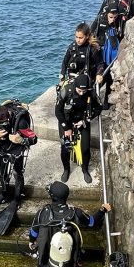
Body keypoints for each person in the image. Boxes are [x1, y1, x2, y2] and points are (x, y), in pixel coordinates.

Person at [29, 181, 112, 267]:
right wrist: (103, 210)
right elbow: (92, 222)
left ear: (52, 196)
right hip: (67, 258)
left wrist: (31, 242)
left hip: (46, 256)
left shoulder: (42, 213)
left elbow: (33, 232)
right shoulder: (76, 213)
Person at [0, 99, 37, 236]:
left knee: (17, 173)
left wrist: (21, 139)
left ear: (8, 116)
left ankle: (17, 198)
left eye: (4, 123)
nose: (1, 126)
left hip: (16, 150)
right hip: (0, 149)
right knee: (2, 173)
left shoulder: (20, 121)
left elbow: (34, 139)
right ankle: (5, 193)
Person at [56, 28, 103, 184]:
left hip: (82, 116)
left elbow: (98, 107)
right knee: (65, 147)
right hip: (68, 118)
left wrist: (85, 121)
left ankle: (84, 169)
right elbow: (58, 111)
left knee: (85, 147)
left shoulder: (89, 92)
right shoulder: (66, 92)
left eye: (81, 37)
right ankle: (66, 169)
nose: (78, 40)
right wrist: (66, 127)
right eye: (76, 37)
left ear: (87, 36)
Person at [91, 5, 122, 108]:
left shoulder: (118, 22)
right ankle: (92, 100)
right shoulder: (100, 20)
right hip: (101, 53)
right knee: (99, 78)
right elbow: (91, 34)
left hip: (112, 55)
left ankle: (106, 103)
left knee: (110, 79)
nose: (112, 19)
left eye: (114, 17)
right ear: (107, 14)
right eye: (110, 17)